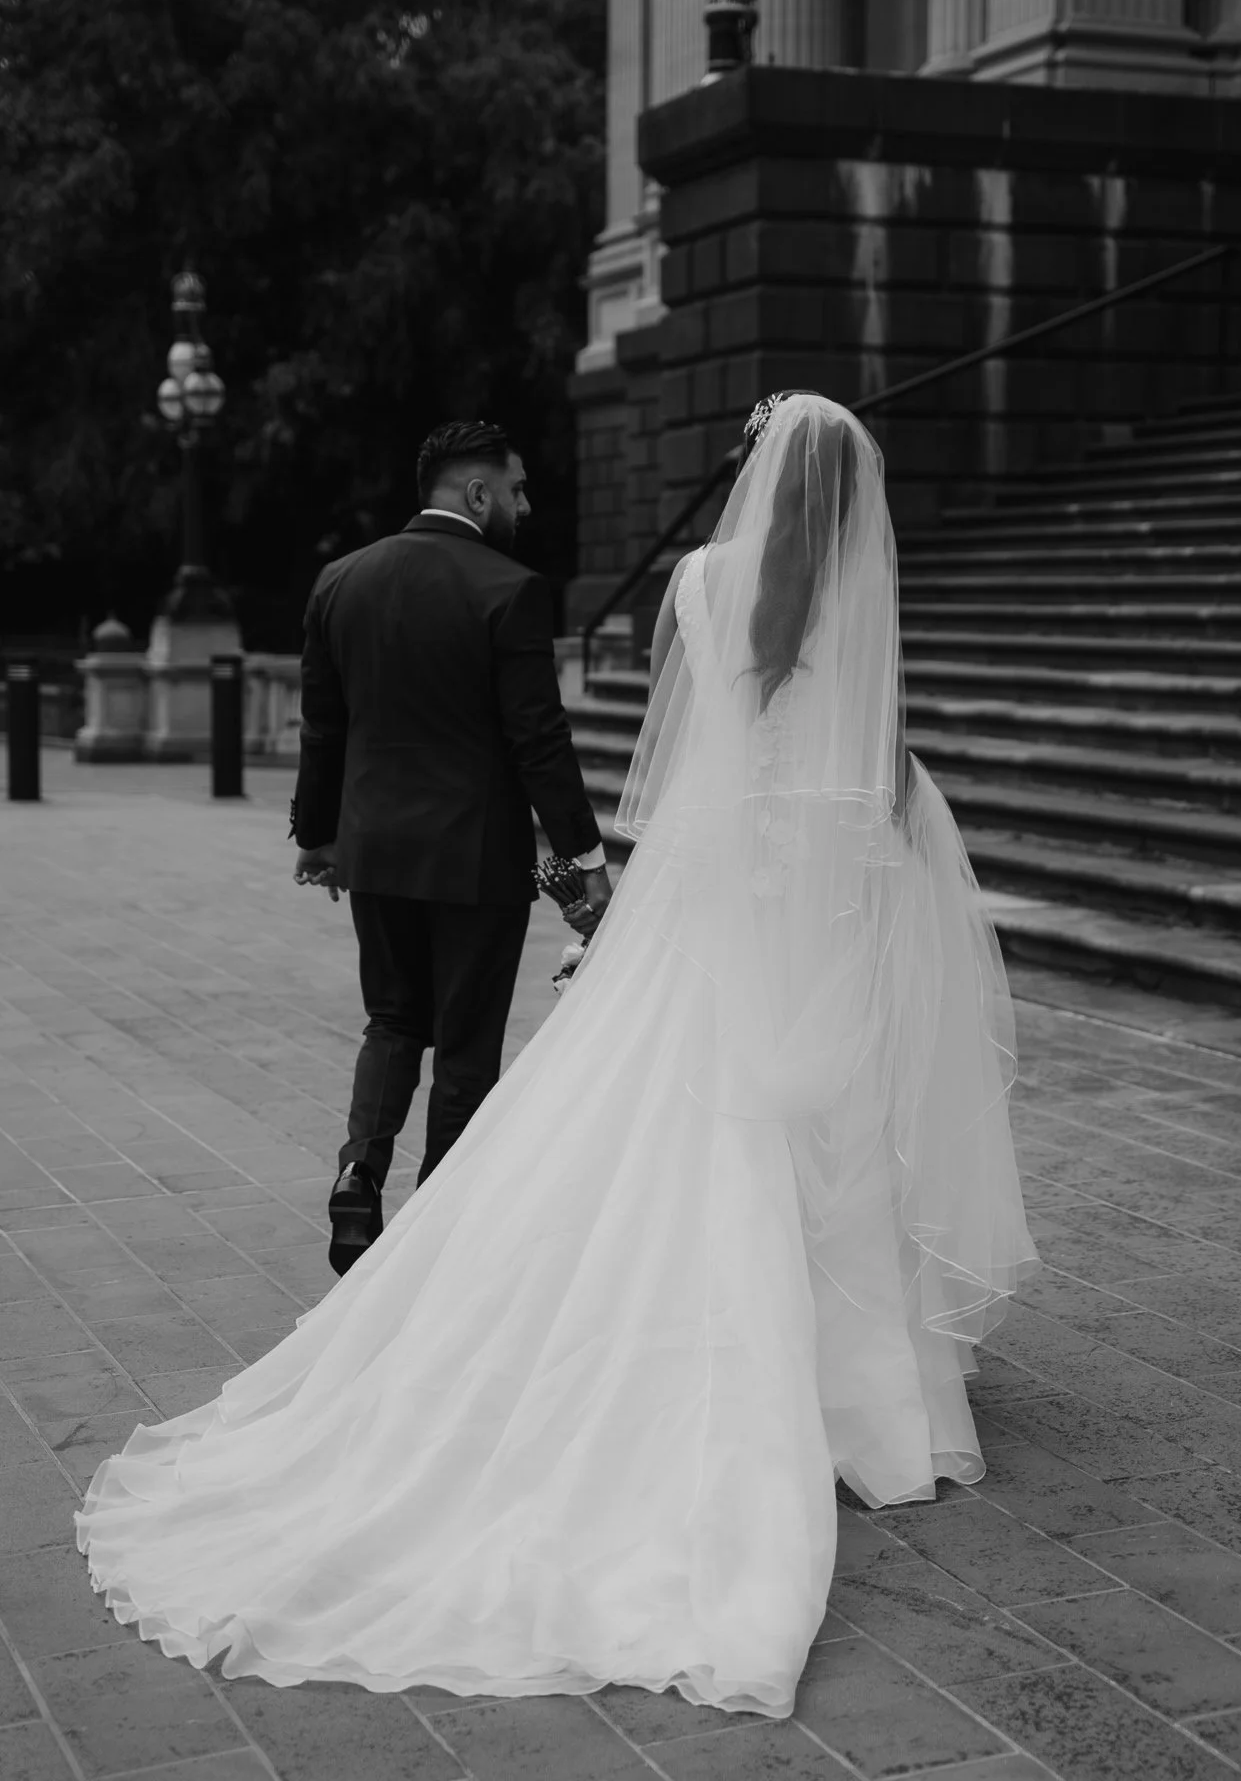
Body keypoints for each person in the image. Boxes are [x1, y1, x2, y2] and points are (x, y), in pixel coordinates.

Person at [76, 394, 1036, 1720]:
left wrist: (613, 880)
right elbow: (871, 766)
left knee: (619, 1100)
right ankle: (858, 1396)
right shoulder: (858, 585)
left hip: (707, 893)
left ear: (756, 477)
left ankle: (415, 1200)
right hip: (819, 892)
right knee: (821, 1119)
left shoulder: (695, 581)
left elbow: (697, 744)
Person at [288, 419, 610, 1273]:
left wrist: (316, 835)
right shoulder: (509, 587)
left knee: (392, 1019)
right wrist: (584, 861)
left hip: (375, 849)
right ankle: (435, 1229)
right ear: (476, 493)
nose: (524, 503)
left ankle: (360, 1172)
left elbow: (323, 727)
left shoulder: (339, 580)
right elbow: (538, 741)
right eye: (516, 487)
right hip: (474, 859)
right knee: (466, 1042)